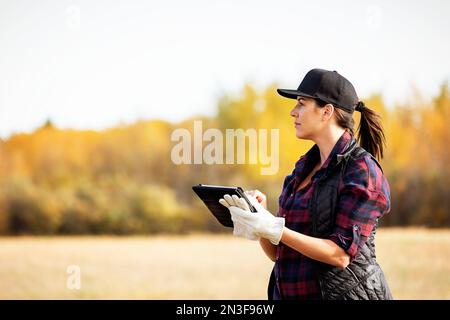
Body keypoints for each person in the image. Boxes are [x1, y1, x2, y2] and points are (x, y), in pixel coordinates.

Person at [219, 68, 393, 300]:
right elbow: (277, 253)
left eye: (301, 103)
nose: (293, 112)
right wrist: (260, 218)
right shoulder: (302, 170)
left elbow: (340, 254)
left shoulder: (362, 171)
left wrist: (274, 228)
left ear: (327, 111)